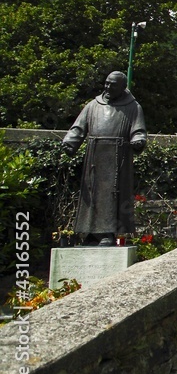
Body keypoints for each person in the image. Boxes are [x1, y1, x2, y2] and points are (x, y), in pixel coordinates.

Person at [62, 71, 147, 246]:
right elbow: (78, 128)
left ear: (123, 87)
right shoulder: (93, 105)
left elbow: (138, 130)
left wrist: (138, 140)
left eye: (112, 85)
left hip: (117, 157)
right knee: (91, 193)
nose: (108, 87)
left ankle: (107, 232)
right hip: (94, 156)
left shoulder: (133, 107)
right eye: (107, 83)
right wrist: (71, 142)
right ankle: (91, 232)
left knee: (111, 194)